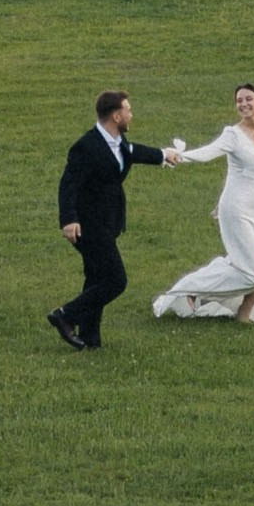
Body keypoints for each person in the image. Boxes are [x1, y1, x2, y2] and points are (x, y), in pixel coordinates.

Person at [48, 91, 173, 351]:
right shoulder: (87, 146)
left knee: (95, 277)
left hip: (107, 223)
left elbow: (132, 151)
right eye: (127, 110)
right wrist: (69, 219)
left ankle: (90, 339)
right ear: (116, 115)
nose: (131, 114)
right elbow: (68, 184)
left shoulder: (116, 141)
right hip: (88, 226)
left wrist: (163, 155)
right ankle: (65, 315)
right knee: (115, 281)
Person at [152, 86, 254, 324]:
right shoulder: (232, 135)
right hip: (236, 211)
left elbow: (242, 170)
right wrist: (178, 155)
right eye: (239, 101)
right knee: (252, 273)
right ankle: (189, 291)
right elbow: (207, 153)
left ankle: (244, 314)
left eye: (248, 99)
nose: (243, 104)